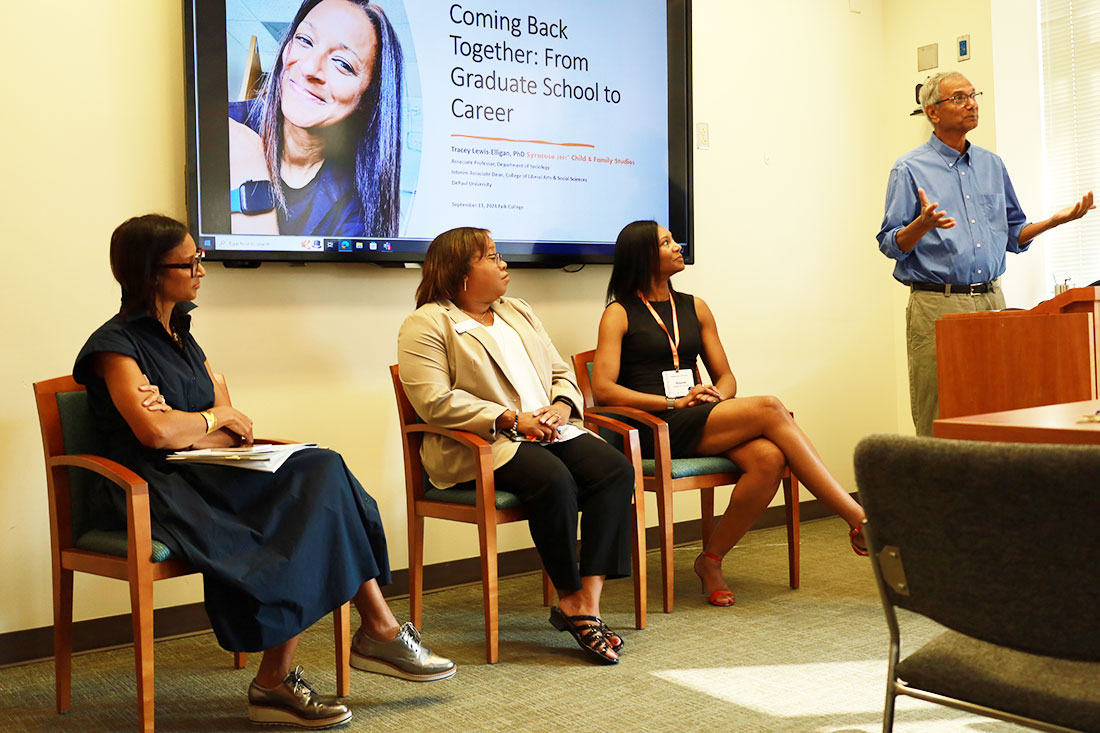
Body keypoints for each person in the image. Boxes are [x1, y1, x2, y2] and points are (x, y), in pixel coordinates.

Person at [74, 214, 453, 729]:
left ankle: (313, 662)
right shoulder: (114, 347)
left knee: (321, 469)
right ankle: (357, 641)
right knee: (314, 496)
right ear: (151, 273)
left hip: (205, 470)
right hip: (152, 489)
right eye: (190, 262)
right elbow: (157, 436)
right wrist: (206, 420)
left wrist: (198, 422)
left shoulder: (181, 335)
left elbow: (233, 427)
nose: (200, 271)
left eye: (200, 259)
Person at [592, 220, 868, 608]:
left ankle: (711, 561)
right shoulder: (619, 313)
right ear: (643, 257)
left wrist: (714, 395)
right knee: (771, 407)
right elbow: (603, 389)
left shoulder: (694, 307)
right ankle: (857, 519)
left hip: (698, 415)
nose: (677, 246)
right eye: (667, 242)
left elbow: (726, 376)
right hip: (656, 424)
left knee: (769, 458)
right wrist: (674, 403)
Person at [397, 227, 635, 665]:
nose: (503, 263)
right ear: (460, 273)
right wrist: (509, 418)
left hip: (547, 429)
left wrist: (563, 406)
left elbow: (560, 372)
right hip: (486, 443)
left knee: (615, 469)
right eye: (491, 256)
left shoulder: (517, 311)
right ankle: (569, 595)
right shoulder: (427, 322)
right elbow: (433, 401)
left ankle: (588, 603)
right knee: (553, 479)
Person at [877, 71, 1094, 436]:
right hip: (938, 304)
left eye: (973, 95)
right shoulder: (909, 168)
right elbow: (889, 243)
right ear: (933, 112)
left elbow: (1013, 234)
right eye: (959, 98)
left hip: (993, 299)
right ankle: (935, 492)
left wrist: (1052, 222)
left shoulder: (992, 165)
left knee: (996, 407)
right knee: (939, 413)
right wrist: (923, 225)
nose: (972, 103)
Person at [228, 0, 403, 237]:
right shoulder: (225, 126)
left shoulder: (359, 204)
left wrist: (251, 166)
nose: (310, 68)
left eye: (342, 64)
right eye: (305, 40)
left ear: (368, 99)